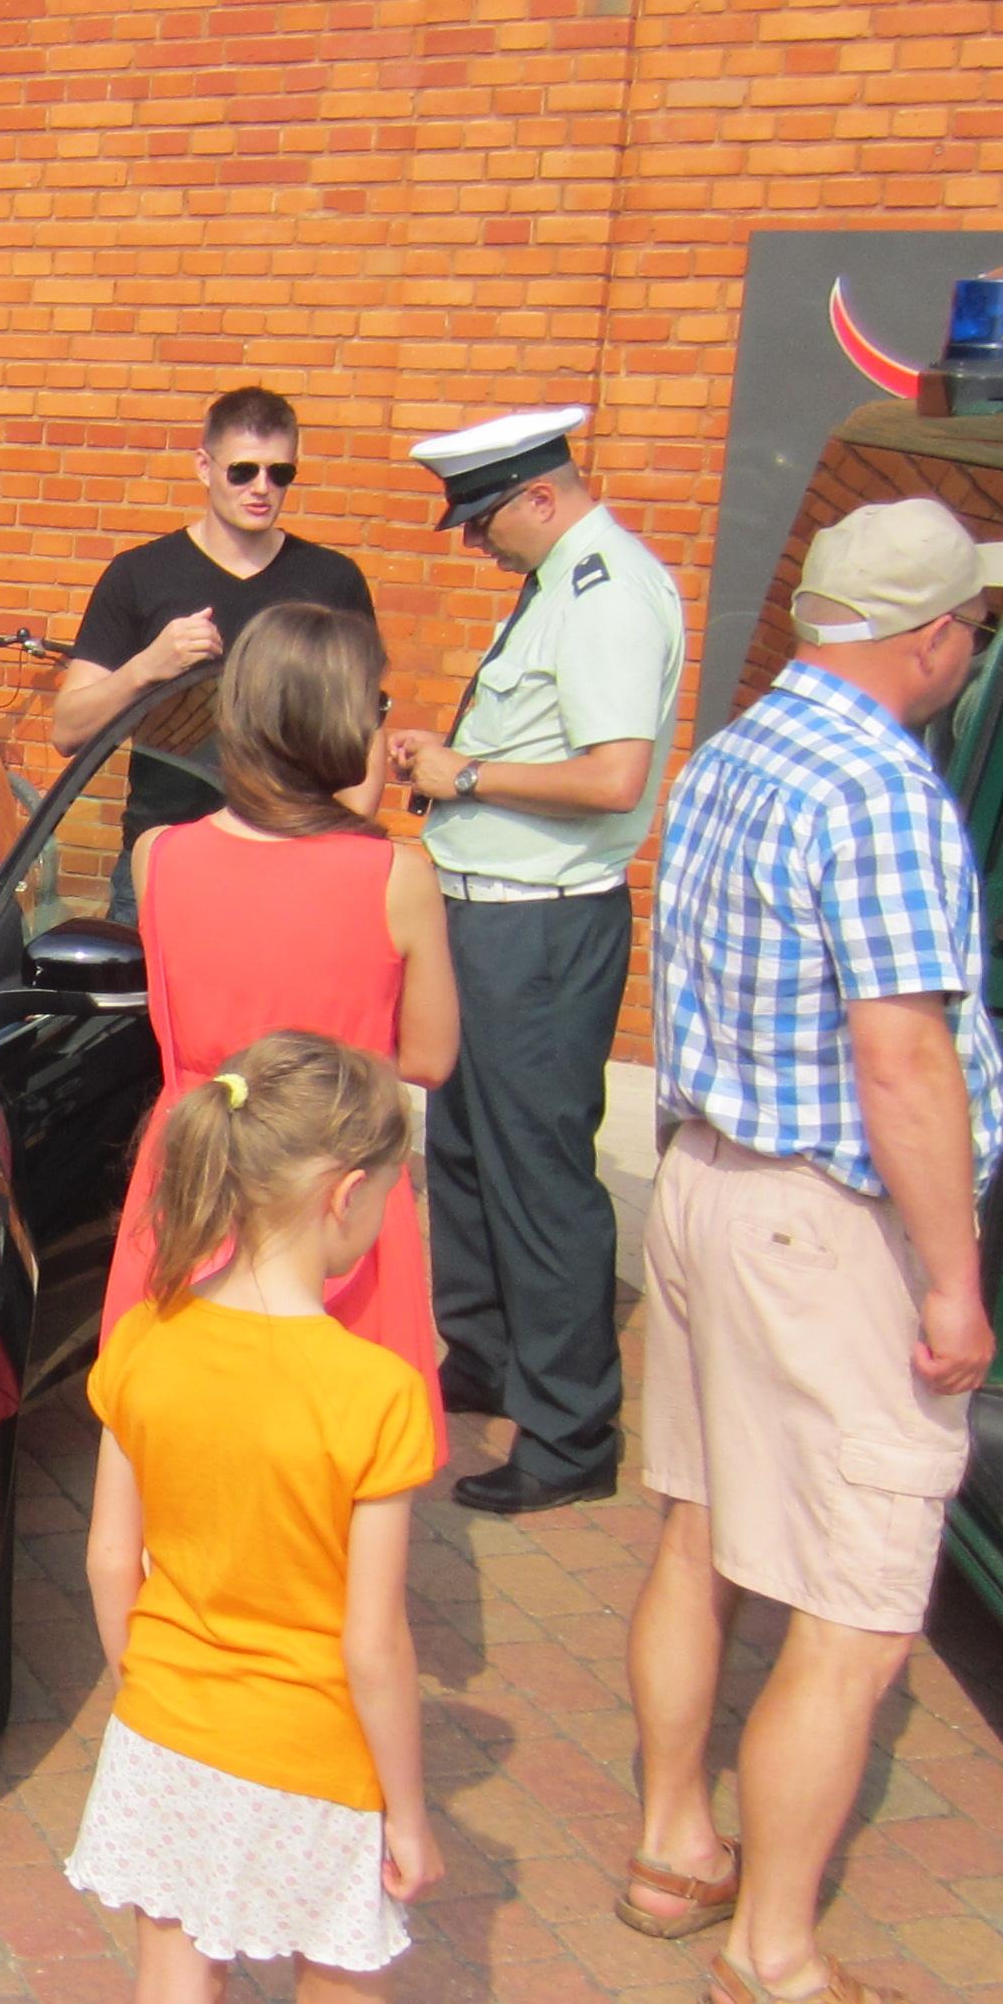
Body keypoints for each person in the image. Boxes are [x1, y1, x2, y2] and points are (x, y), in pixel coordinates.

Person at [616, 500, 1003, 2004]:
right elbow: (903, 1057)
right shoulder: (883, 790)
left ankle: (676, 1848)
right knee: (857, 1616)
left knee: (702, 1531)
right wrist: (955, 1282)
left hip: (709, 1183)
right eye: (975, 625)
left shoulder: (737, 753)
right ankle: (775, 1965)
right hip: (822, 1226)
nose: (975, 649)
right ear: (931, 637)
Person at [71, 1033, 441, 2004]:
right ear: (345, 1196)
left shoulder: (146, 1337)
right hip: (315, 1753)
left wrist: (149, 1691)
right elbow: (373, 1644)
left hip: (167, 1731)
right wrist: (409, 1812)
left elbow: (108, 1559)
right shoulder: (375, 1393)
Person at [383, 406, 687, 1517]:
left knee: (538, 1179)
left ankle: (567, 1432)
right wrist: (456, 762)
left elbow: (613, 778)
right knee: (464, 1152)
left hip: (540, 927)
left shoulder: (607, 594)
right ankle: (487, 1357)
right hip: (487, 914)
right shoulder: (562, 581)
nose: (474, 541)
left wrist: (464, 776)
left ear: (541, 497)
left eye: (483, 520)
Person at [95, 603, 456, 1452]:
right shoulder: (396, 877)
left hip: (198, 1163)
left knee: (177, 1438)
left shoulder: (159, 856)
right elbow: (431, 1058)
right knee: (339, 1450)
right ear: (343, 722)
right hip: (333, 1181)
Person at [55, 387, 377, 905]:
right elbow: (68, 729)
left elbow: (365, 729)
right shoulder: (141, 574)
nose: (261, 488)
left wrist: (347, 845)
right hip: (165, 859)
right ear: (204, 467)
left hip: (293, 861)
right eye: (242, 471)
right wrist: (148, 667)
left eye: (280, 473)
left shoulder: (331, 580)